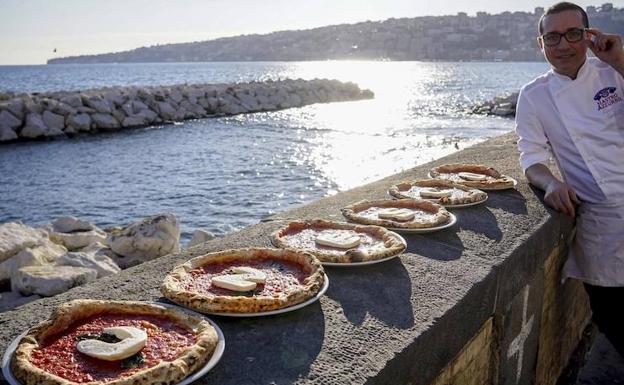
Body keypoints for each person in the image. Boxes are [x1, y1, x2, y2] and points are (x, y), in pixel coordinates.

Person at [515, 2, 624, 357]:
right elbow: (531, 158)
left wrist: (619, 60)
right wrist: (551, 184)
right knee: (612, 317)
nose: (563, 45)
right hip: (602, 227)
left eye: (573, 34)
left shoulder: (613, 71)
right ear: (540, 44)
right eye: (553, 37)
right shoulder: (534, 96)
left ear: (590, 36)